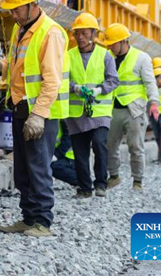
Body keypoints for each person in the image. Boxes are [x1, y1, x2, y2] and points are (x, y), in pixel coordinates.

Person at [0, 0, 69, 238]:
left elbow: (51, 80)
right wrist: (0, 67)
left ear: (33, 5)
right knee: (23, 170)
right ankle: (29, 218)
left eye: (17, 9)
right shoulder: (21, 30)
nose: (13, 14)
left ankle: (43, 221)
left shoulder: (50, 33)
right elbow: (22, 71)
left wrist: (39, 115)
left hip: (40, 113)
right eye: (11, 9)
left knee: (38, 168)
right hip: (21, 107)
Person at [101, 23, 159, 191]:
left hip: (134, 110)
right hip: (113, 108)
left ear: (123, 41)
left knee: (136, 146)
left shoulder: (141, 58)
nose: (110, 46)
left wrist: (154, 101)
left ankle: (138, 181)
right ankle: (114, 176)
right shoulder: (108, 58)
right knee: (110, 145)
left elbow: (150, 82)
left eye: (113, 43)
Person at [66, 12, 119, 198]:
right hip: (76, 113)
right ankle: (85, 188)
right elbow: (61, 80)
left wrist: (98, 90)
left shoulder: (105, 56)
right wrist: (75, 87)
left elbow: (113, 80)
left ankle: (101, 184)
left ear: (94, 34)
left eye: (84, 33)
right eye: (77, 33)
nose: (80, 37)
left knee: (99, 144)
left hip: (99, 111)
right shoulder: (68, 56)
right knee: (79, 153)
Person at [51, 120, 78, 187]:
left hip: (69, 157)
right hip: (57, 154)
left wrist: (56, 155)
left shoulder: (63, 119)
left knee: (53, 166)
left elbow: (68, 138)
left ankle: (81, 181)